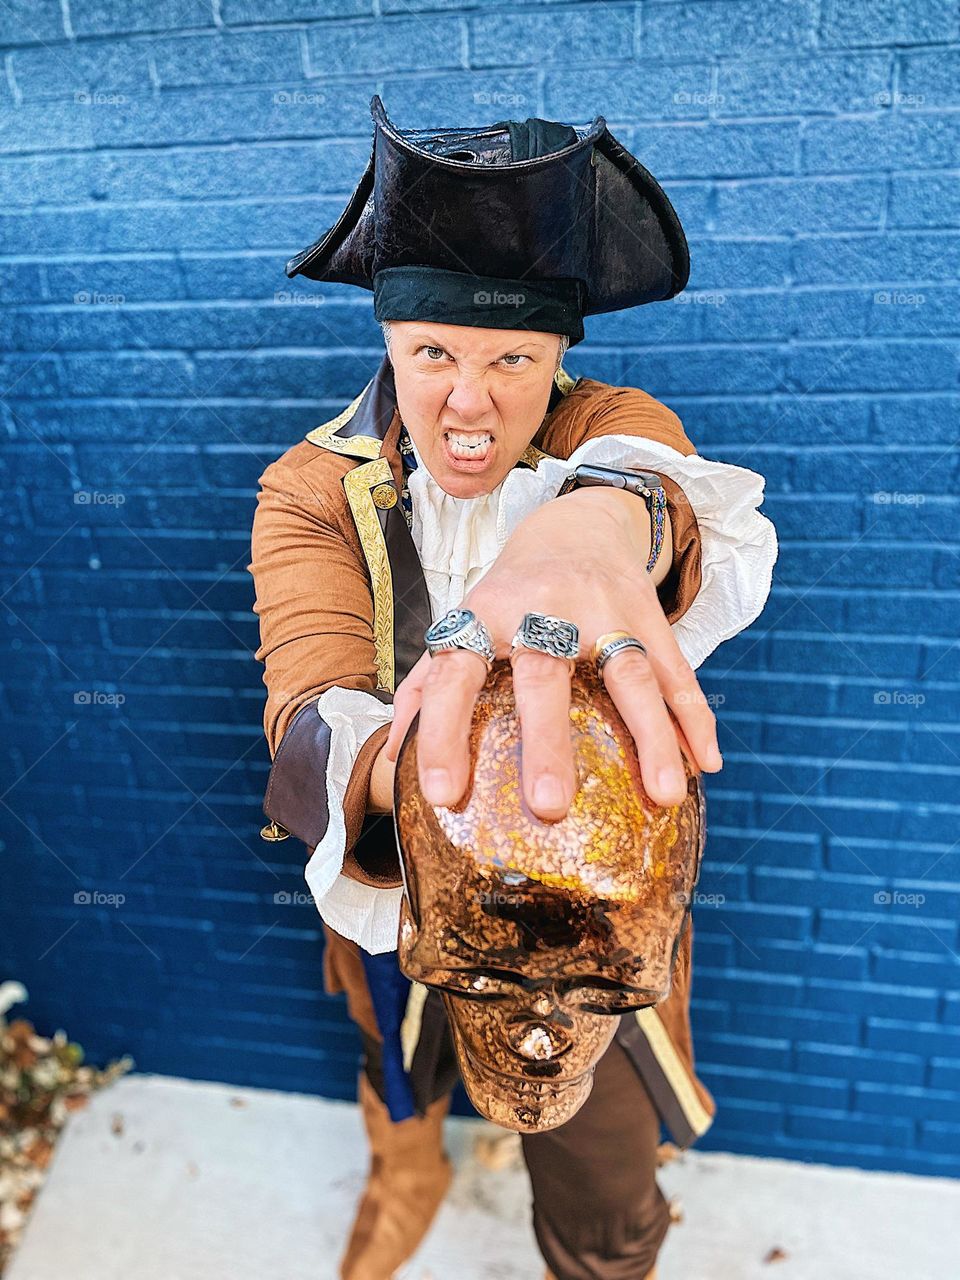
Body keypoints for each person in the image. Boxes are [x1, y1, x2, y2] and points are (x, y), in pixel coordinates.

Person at [248, 97, 778, 1280]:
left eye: (511, 359)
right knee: (393, 1055)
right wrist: (424, 774)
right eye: (433, 350)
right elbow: (308, 717)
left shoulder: (612, 431)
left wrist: (588, 535)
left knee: (605, 1196)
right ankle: (409, 1166)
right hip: (393, 876)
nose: (470, 402)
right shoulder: (308, 490)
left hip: (591, 916)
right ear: (389, 345)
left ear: (560, 358)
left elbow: (654, 488)